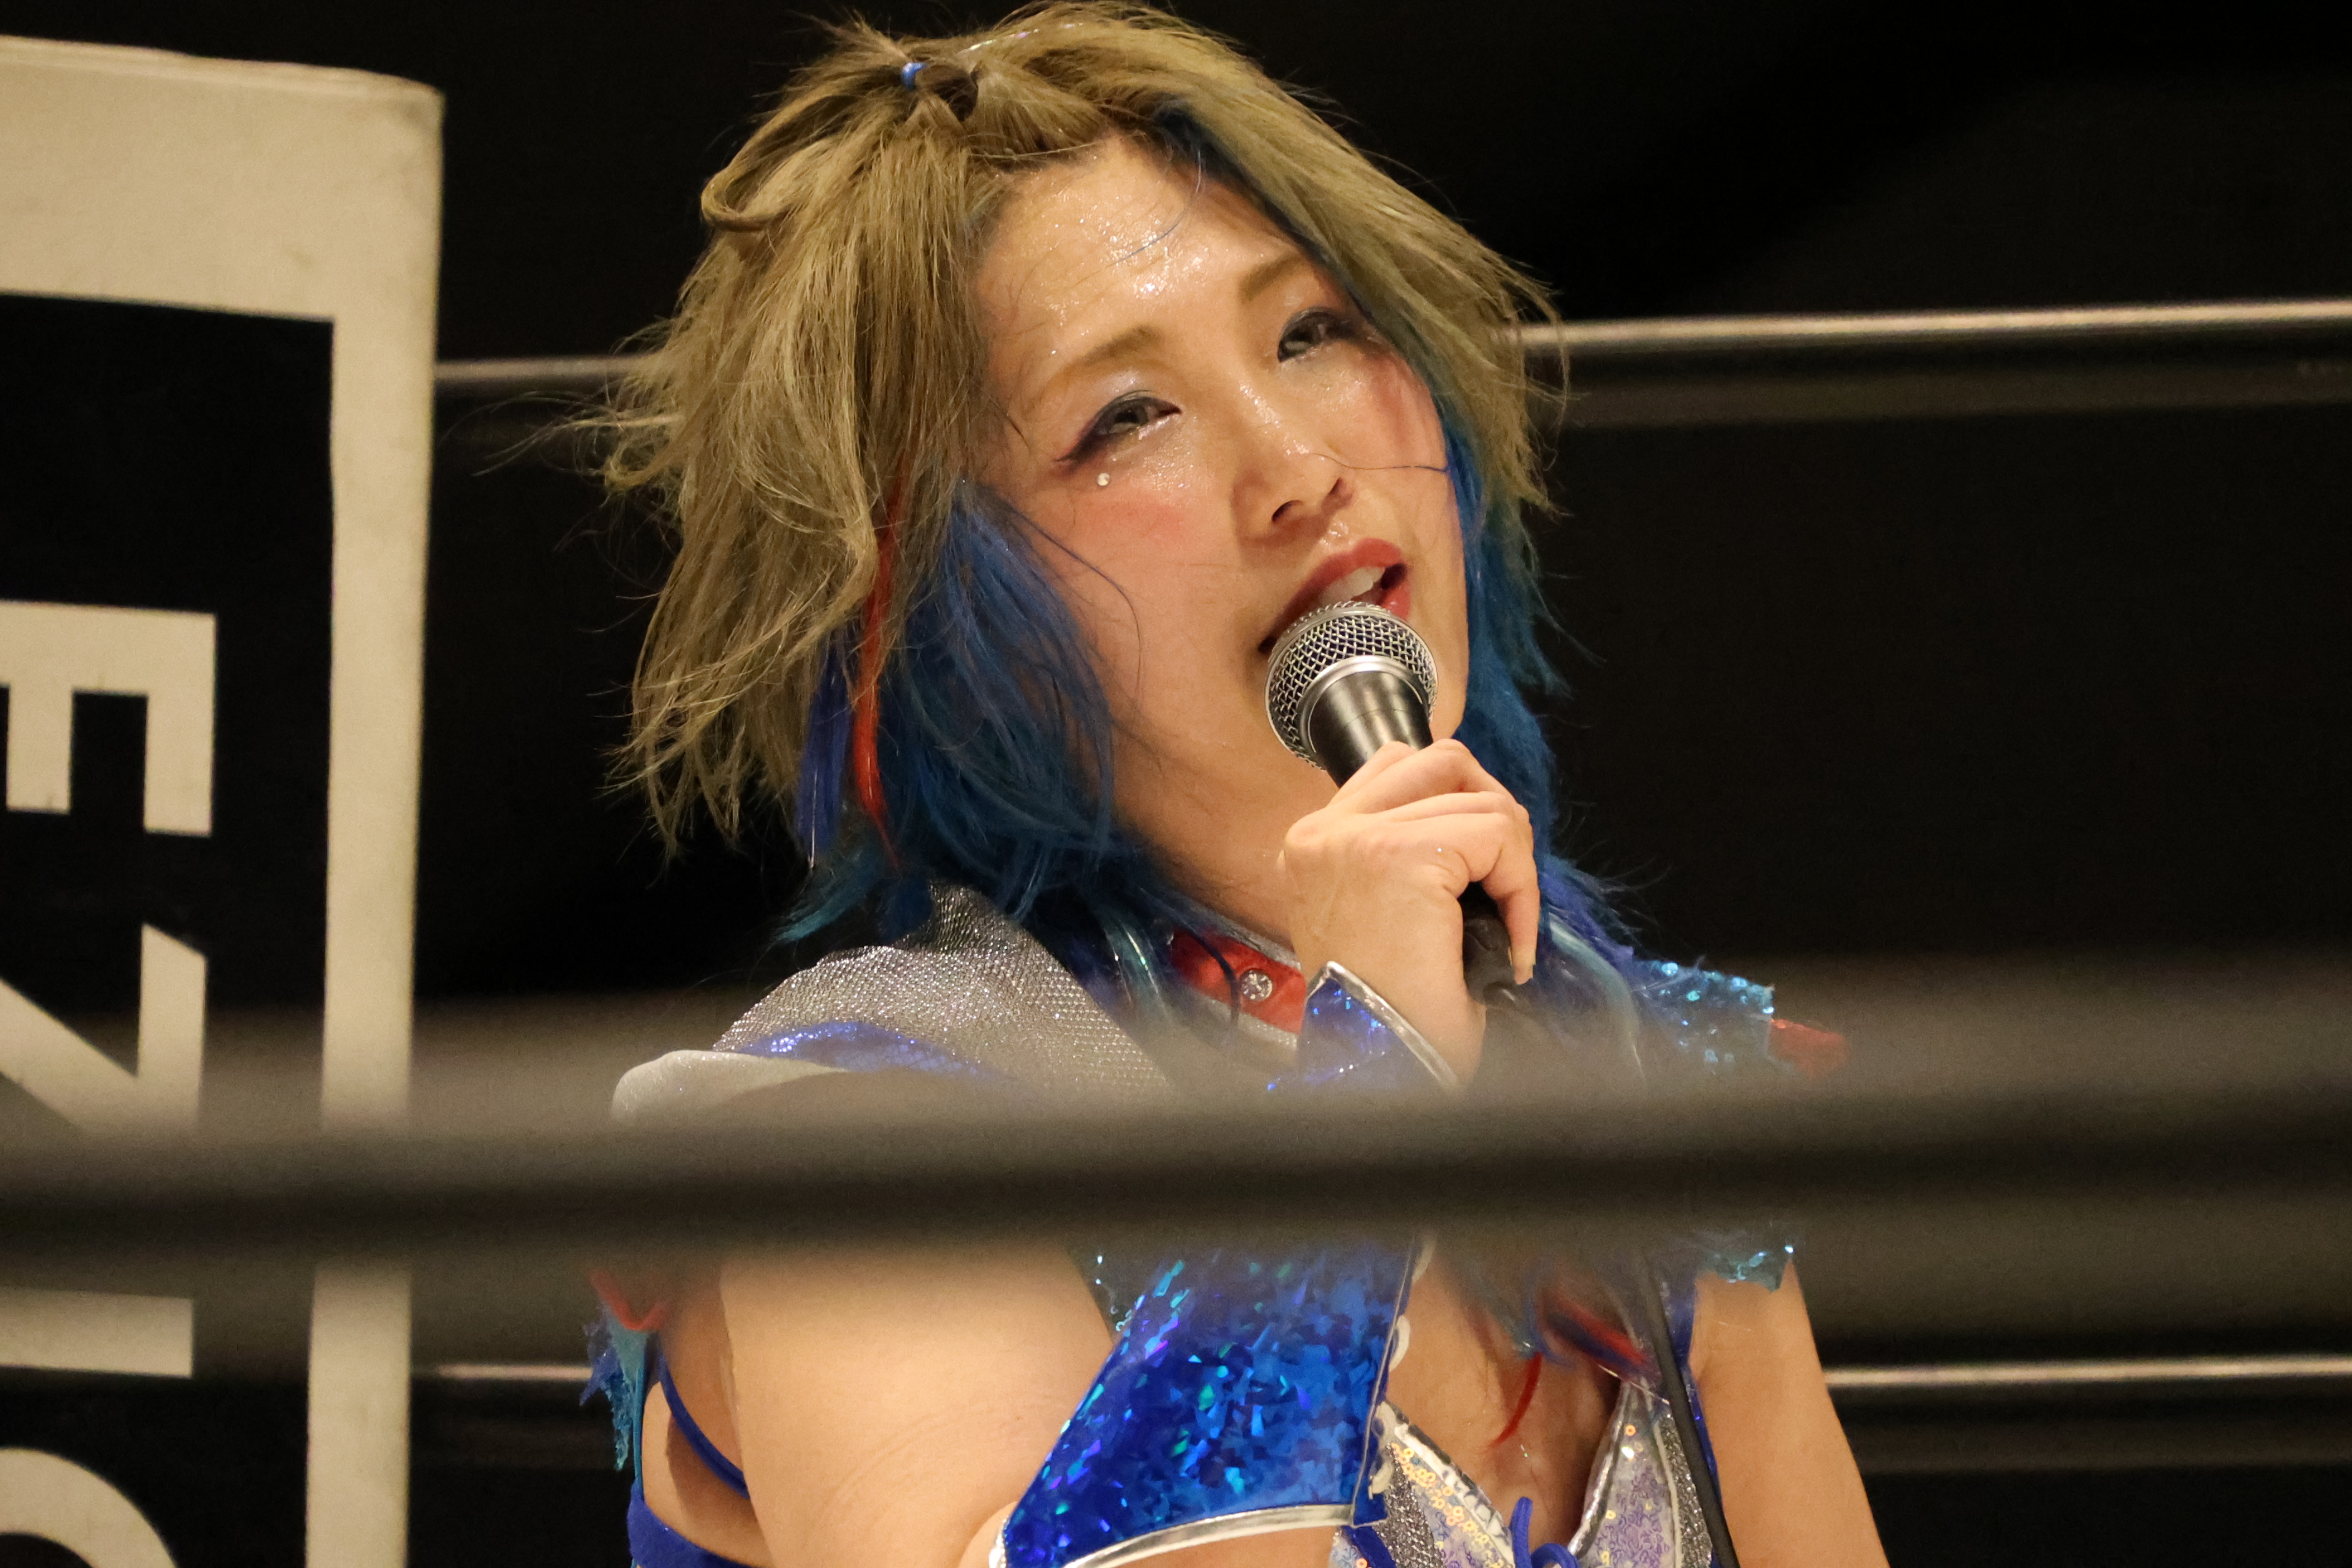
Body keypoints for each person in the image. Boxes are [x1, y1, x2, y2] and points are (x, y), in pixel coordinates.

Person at [586, 7, 1887, 1567]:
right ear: (941, 619)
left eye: (1312, 332)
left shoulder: (1639, 1078)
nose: (1297, 467)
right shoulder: (856, 1136)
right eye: (1127, 418)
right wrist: (1368, 1079)